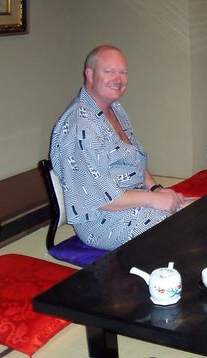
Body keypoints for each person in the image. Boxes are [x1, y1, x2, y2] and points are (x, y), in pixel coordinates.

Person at [50, 45, 187, 250]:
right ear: (90, 74)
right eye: (109, 71)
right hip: (102, 220)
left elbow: (134, 160)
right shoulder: (80, 126)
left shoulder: (115, 109)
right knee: (183, 230)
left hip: (135, 199)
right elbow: (102, 199)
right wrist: (154, 199)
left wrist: (157, 189)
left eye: (123, 72)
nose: (118, 79)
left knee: (201, 210)